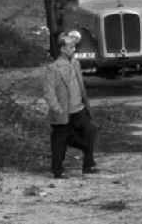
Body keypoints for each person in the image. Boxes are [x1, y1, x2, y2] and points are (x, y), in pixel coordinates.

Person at [43, 30, 97, 179]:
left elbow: (80, 85)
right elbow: (49, 93)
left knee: (90, 130)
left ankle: (88, 164)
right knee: (59, 141)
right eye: (71, 47)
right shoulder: (53, 68)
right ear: (62, 49)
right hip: (63, 112)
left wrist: (85, 104)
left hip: (78, 109)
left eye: (74, 47)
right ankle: (57, 171)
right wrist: (57, 109)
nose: (74, 49)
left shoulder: (75, 63)